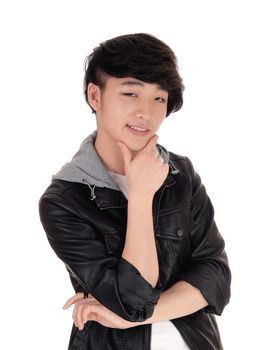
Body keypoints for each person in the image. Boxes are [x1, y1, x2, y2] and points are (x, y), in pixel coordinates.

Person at [38, 32, 231, 350]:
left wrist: (133, 318)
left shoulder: (181, 175)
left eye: (159, 98)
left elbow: (217, 278)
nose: (147, 112)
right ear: (95, 96)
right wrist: (141, 197)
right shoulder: (64, 201)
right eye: (131, 94)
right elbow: (133, 300)